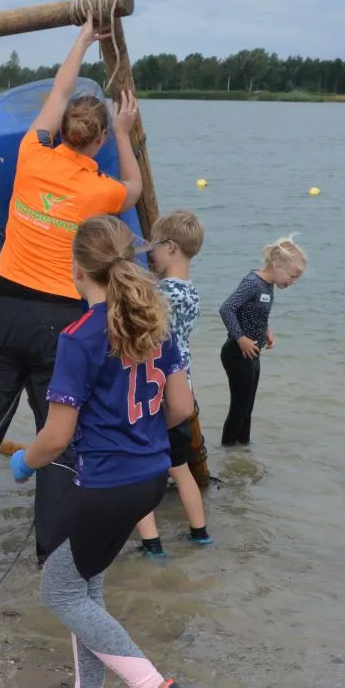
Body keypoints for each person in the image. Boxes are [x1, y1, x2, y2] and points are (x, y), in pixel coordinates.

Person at [0, 20, 143, 574]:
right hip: (60, 324)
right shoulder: (100, 190)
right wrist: (125, 133)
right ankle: (51, 555)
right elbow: (136, 189)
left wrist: (81, 38)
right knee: (59, 437)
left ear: (63, 131)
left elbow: (58, 91)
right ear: (97, 141)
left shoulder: (31, 151)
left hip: (2, 311)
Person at [11, 216, 198, 688]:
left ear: (77, 268)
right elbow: (181, 407)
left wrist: (25, 462)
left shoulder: (80, 337)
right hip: (150, 476)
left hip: (107, 484)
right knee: (85, 586)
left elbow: (55, 436)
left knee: (59, 588)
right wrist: (139, 435)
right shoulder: (154, 324)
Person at [134, 209, 211, 558]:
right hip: (184, 384)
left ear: (170, 247)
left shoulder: (162, 293)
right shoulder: (191, 292)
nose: (151, 253)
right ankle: (200, 532)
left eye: (154, 247)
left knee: (139, 466)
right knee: (180, 469)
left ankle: (152, 544)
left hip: (158, 389)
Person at [217, 236, 306, 447]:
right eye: (292, 276)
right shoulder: (253, 283)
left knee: (248, 406)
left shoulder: (268, 285)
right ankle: (227, 448)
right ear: (277, 265)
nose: (292, 283)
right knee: (239, 406)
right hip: (236, 353)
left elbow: (256, 311)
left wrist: (266, 330)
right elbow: (227, 309)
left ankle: (242, 451)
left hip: (253, 353)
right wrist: (241, 338)